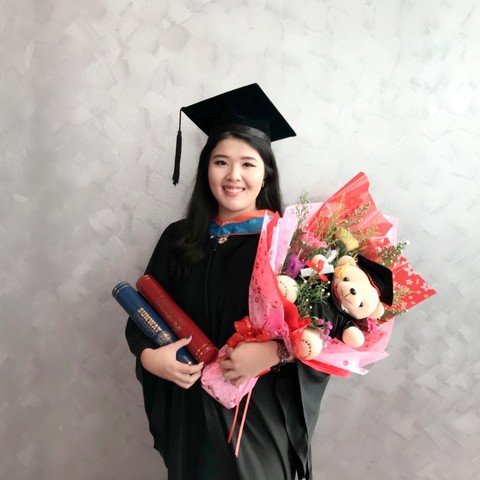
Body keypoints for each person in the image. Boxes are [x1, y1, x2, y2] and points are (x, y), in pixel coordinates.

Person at [125, 84, 330, 480]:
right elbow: (142, 320)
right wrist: (152, 359)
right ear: (206, 169)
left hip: (256, 417)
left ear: (266, 173)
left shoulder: (287, 244)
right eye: (221, 162)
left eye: (248, 164)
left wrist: (276, 353)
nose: (233, 176)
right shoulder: (179, 239)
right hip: (189, 415)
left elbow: (325, 328)